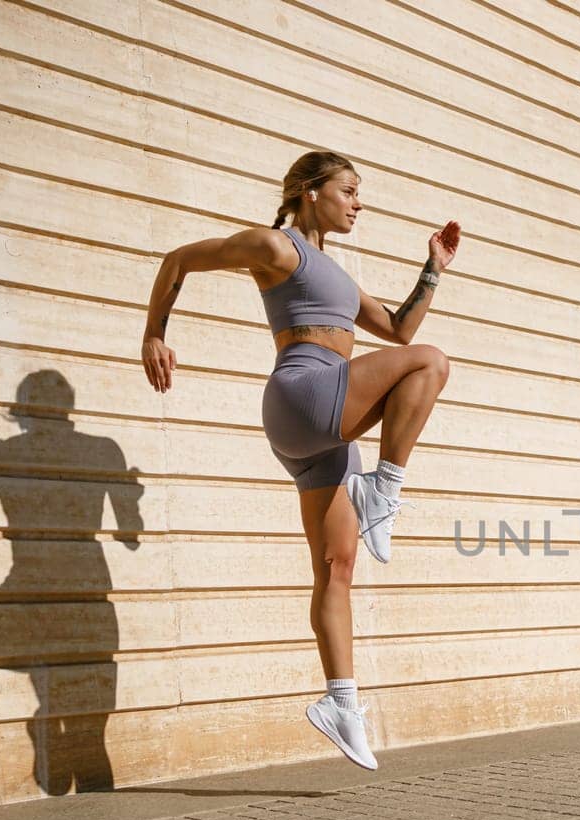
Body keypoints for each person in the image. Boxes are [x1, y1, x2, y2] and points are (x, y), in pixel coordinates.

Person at [138, 150, 459, 770]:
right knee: (434, 365)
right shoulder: (277, 247)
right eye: (350, 190)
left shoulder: (335, 275)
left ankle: (340, 703)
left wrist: (433, 270)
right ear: (311, 192)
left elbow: (398, 331)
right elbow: (180, 259)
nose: (359, 202)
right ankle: (384, 490)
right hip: (306, 396)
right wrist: (155, 331)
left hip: (320, 428)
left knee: (337, 568)